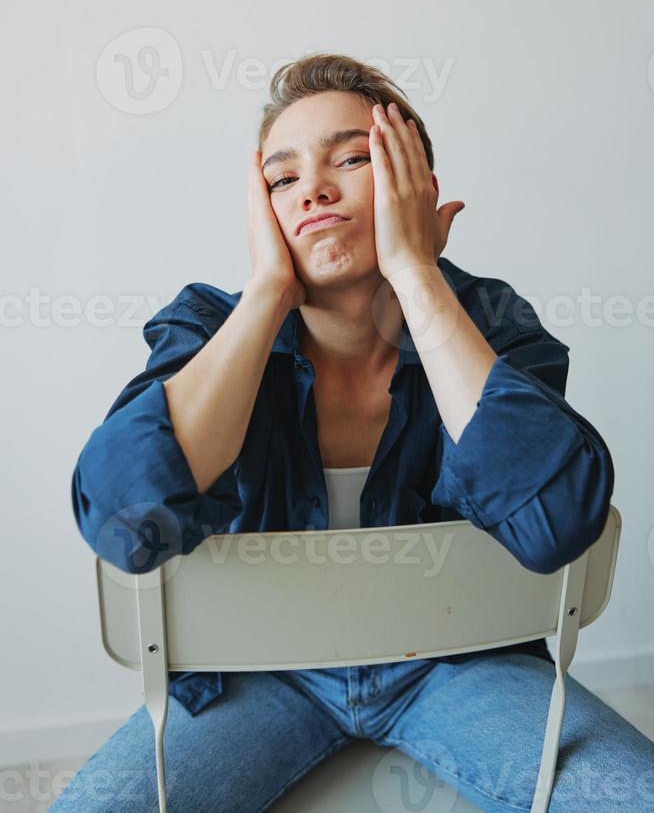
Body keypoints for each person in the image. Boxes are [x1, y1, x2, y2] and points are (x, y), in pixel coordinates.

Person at [52, 54, 654, 811]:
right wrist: (268, 292)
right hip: (257, 673)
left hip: (457, 663)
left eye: (353, 158)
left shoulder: (488, 322)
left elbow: (559, 521)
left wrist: (417, 275)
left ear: (416, 187)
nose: (315, 190)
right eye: (282, 179)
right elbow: (123, 521)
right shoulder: (209, 326)